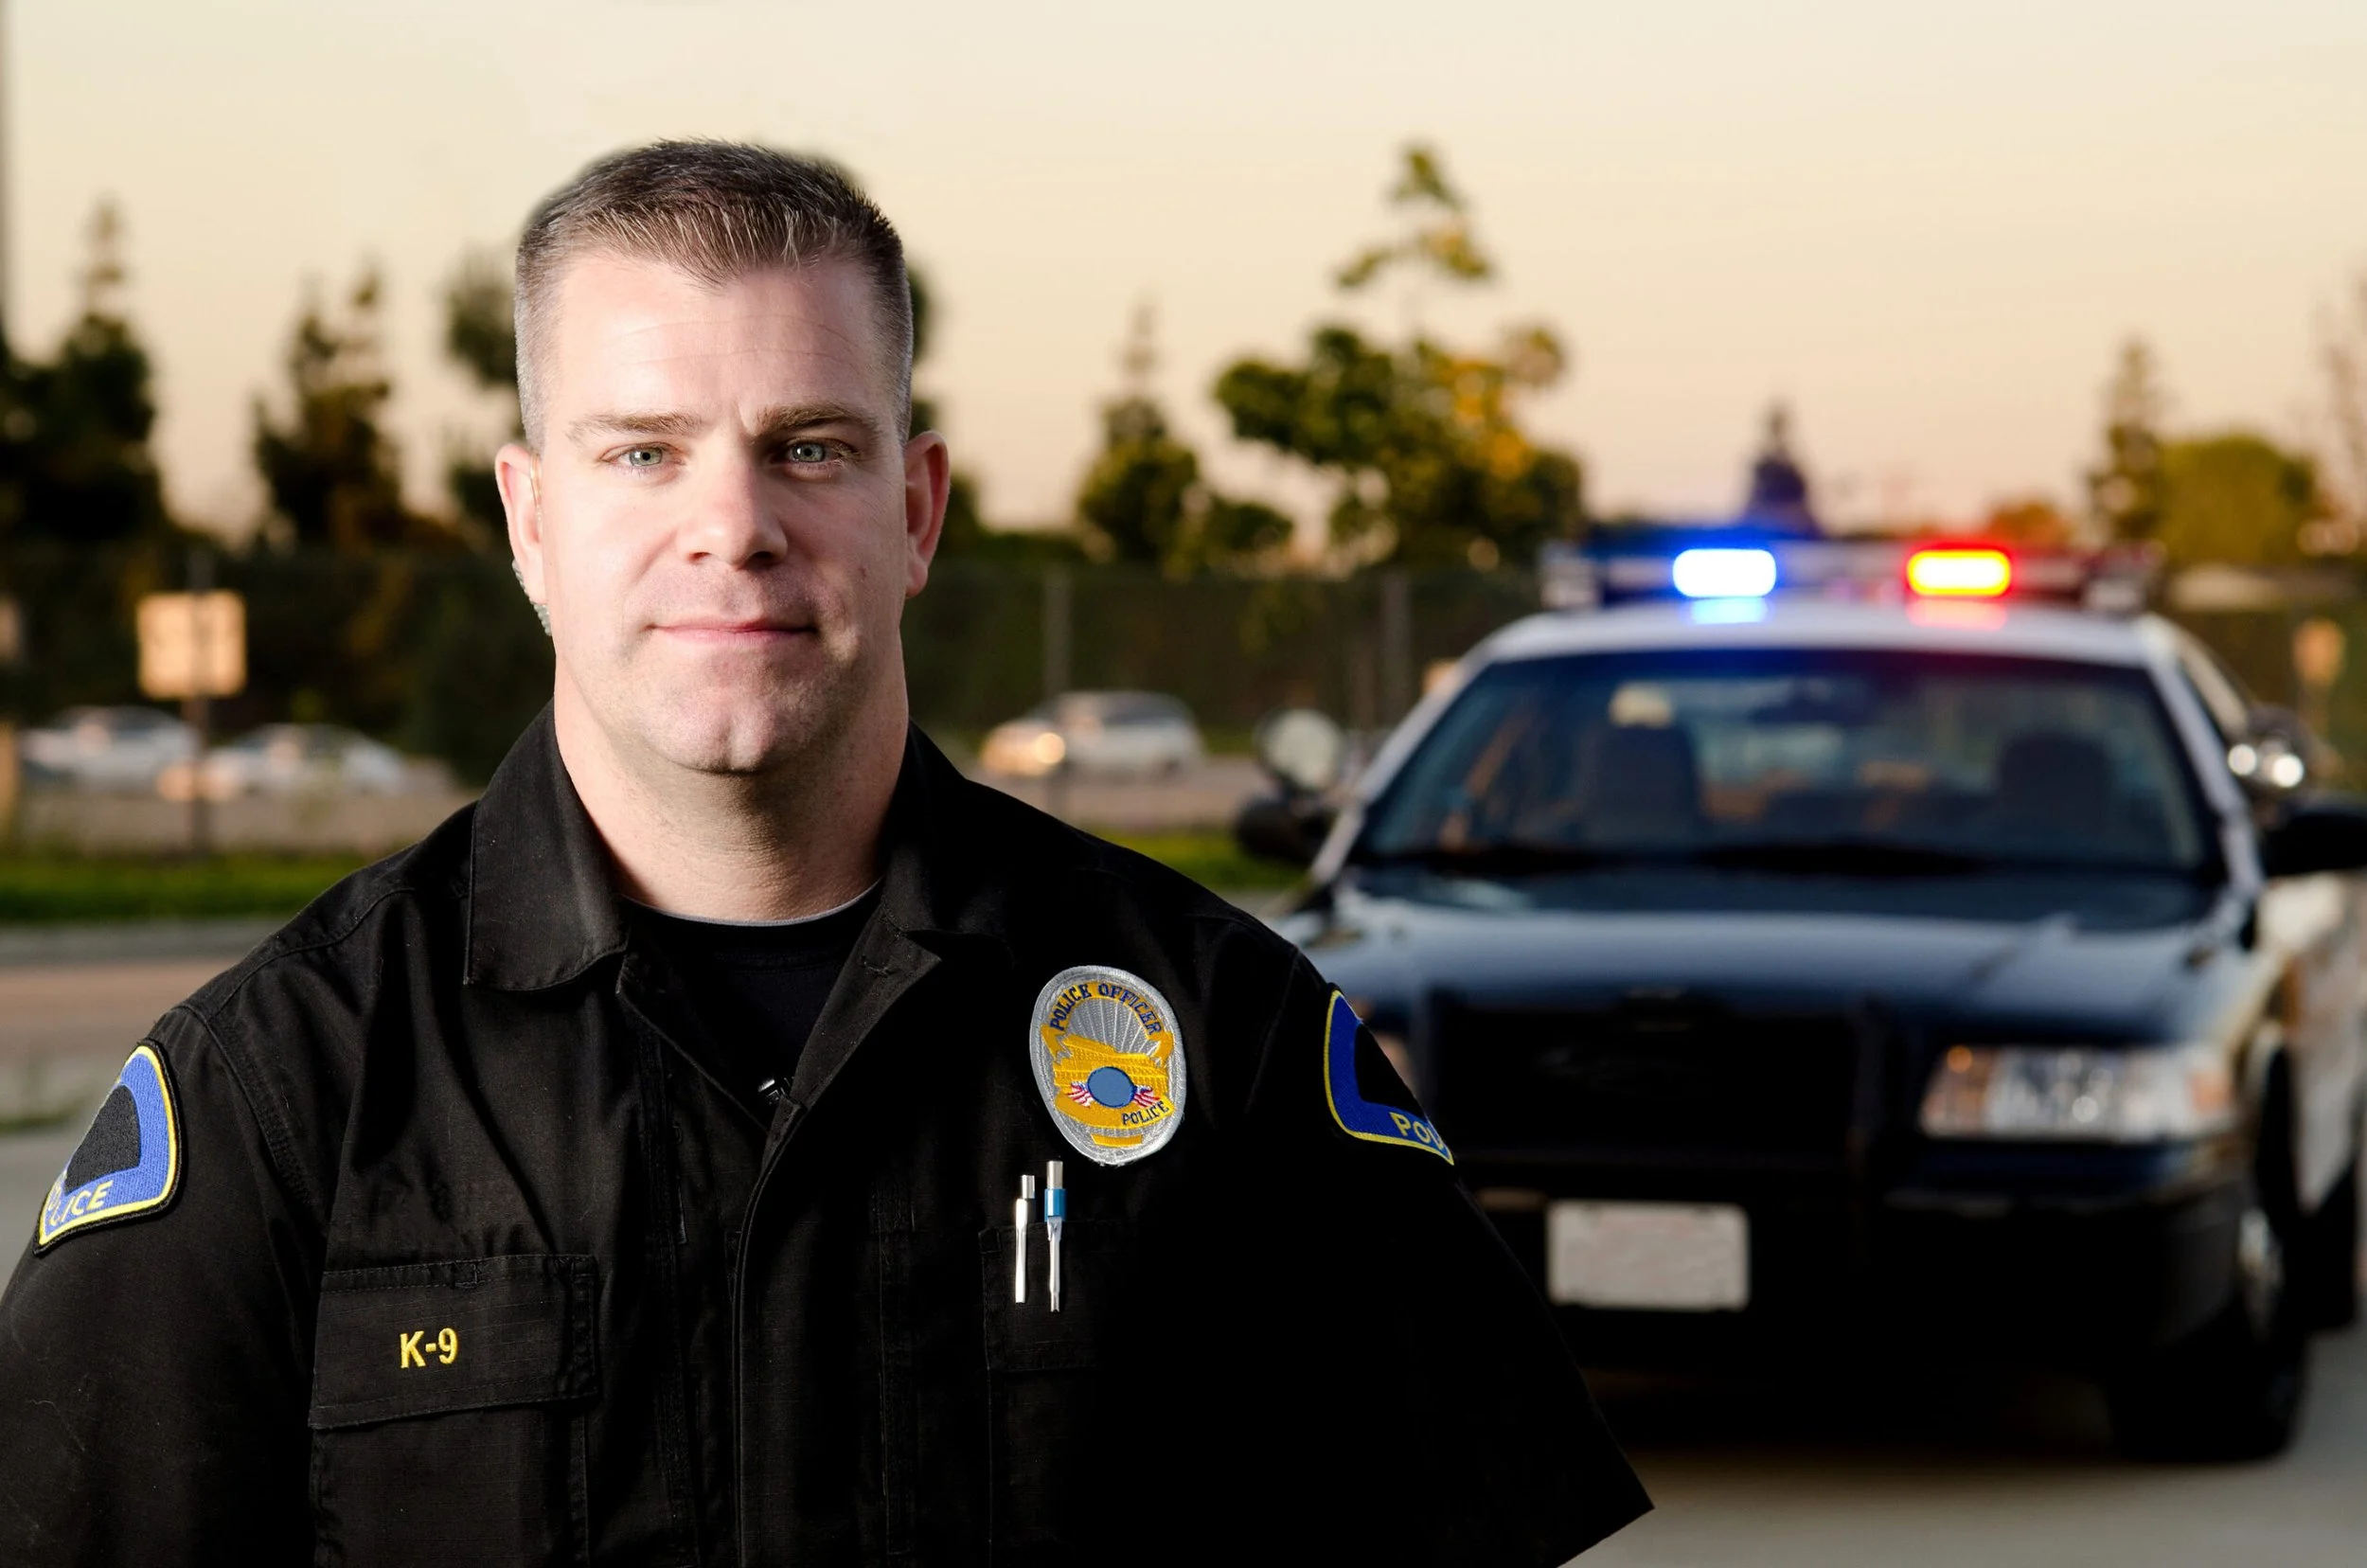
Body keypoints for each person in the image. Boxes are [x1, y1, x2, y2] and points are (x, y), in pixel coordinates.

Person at [0, 141, 1647, 1566]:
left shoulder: (1227, 1043)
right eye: (641, 451)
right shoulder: (286, 1095)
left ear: (916, 510)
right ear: (527, 521)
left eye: (810, 445)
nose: (734, 522)